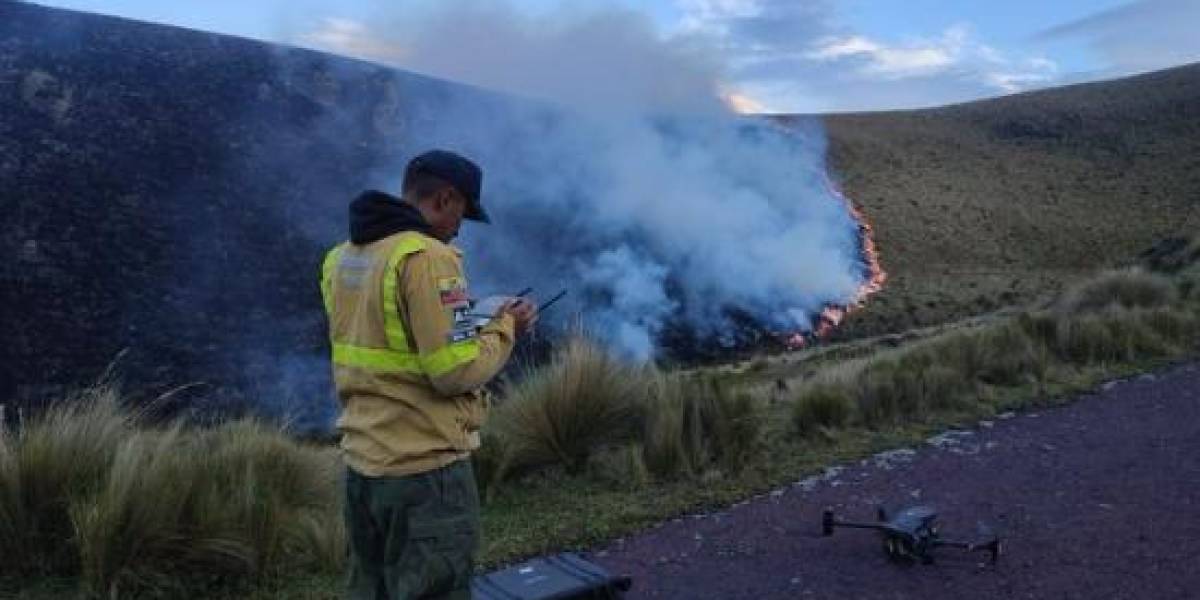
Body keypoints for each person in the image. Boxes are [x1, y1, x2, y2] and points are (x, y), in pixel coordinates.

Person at [320, 149, 537, 599]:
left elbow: (395, 339)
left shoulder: (342, 259)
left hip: (364, 466)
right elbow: (454, 372)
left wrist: (473, 319)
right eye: (463, 212)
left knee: (371, 588)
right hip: (423, 472)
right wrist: (505, 328)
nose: (461, 227)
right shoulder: (428, 257)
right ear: (445, 198)